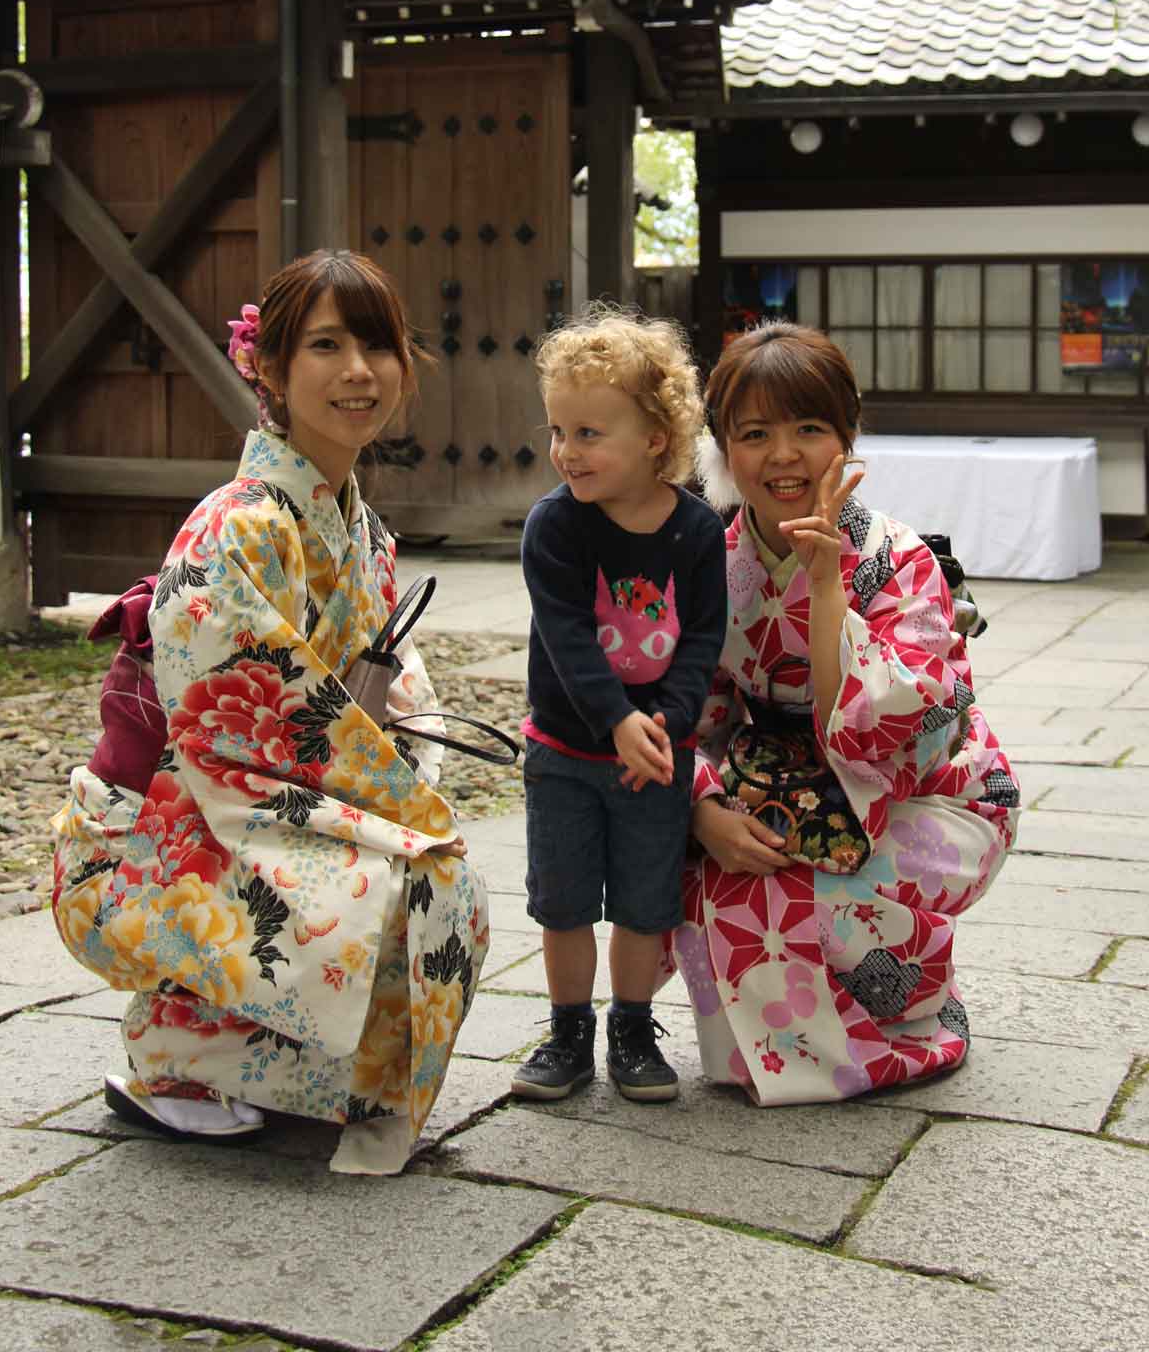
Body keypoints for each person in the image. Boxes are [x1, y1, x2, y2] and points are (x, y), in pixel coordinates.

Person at [51, 250, 487, 1174]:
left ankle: (279, 1068)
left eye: (377, 344)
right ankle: (173, 1063)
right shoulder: (240, 522)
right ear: (272, 371)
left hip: (278, 777)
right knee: (412, 876)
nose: (358, 370)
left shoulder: (357, 527)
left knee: (428, 873)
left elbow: (384, 674)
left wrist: (403, 762)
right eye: (326, 344)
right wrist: (378, 797)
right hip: (190, 806)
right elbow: (225, 715)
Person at [671, 321, 1019, 1100]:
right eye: (754, 433)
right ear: (723, 446)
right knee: (706, 874)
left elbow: (878, 735)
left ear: (847, 434)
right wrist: (702, 813)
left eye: (809, 428)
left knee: (818, 889)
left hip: (924, 792)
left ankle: (904, 1025)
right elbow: (685, 715)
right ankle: (757, 1052)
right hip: (771, 788)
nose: (783, 455)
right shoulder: (706, 563)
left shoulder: (900, 561)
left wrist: (827, 584)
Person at [512, 306, 727, 1105]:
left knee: (644, 903)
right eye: (558, 430)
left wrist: (665, 724)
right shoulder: (555, 526)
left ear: (655, 440)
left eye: (590, 433)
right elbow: (565, 636)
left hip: (656, 756)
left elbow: (703, 638)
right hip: (567, 750)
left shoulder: (698, 531)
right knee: (562, 902)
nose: (567, 451)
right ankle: (567, 1029)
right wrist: (615, 719)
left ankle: (632, 1027)